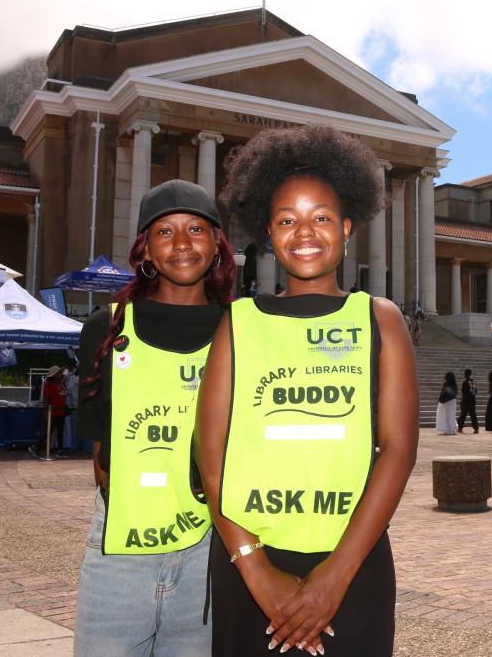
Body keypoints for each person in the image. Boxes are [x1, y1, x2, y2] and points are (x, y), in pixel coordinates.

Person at [197, 123, 417, 656]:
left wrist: (335, 576)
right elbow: (210, 455)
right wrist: (255, 568)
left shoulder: (379, 318)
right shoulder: (238, 321)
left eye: (320, 218)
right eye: (286, 220)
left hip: (354, 562)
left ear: (346, 227)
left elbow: (399, 450)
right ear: (267, 234)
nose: (305, 232)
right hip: (249, 563)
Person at [73, 179, 235, 655]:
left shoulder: (243, 328)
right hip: (121, 550)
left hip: (212, 546)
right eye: (164, 231)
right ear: (146, 249)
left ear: (217, 247)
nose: (182, 243)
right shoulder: (107, 327)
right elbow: (101, 455)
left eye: (196, 230)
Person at [32, 366, 66, 457]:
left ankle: (60, 450)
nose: (60, 374)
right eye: (59, 373)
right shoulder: (48, 385)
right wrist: (46, 412)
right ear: (54, 375)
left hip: (61, 412)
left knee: (60, 432)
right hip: (52, 413)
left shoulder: (60, 384)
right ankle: (36, 447)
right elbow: (45, 400)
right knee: (48, 432)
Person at [457, 368, 479, 433]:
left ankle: (460, 428)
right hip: (472, 401)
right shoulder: (473, 382)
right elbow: (475, 391)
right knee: (473, 415)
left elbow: (463, 392)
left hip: (466, 401)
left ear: (465, 374)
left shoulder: (465, 382)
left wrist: (462, 401)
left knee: (463, 415)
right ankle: (476, 429)